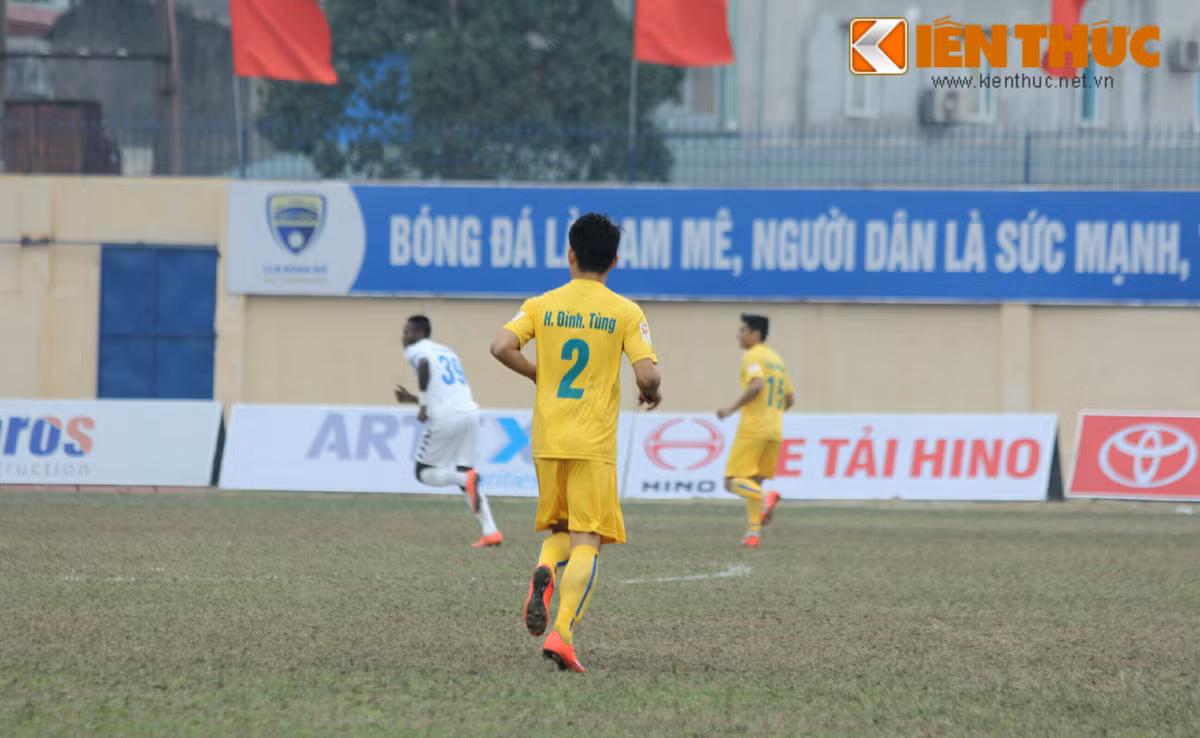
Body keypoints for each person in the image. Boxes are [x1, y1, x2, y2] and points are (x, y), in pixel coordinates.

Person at [490, 213, 662, 673]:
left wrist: (537, 372)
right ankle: (563, 634)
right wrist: (652, 390)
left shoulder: (541, 304)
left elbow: (500, 345)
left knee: (560, 532)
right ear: (615, 260)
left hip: (548, 437)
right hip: (593, 441)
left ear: (570, 254)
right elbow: (646, 372)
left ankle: (543, 576)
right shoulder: (626, 311)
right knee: (589, 539)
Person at [395, 315, 503, 548]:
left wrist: (422, 404)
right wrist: (413, 399)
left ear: (419, 333)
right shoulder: (446, 352)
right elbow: (445, 391)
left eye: (407, 332)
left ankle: (465, 479)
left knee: (424, 472)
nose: (404, 337)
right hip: (470, 414)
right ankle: (491, 530)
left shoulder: (417, 350)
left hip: (446, 417)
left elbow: (423, 366)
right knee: (468, 474)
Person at [716, 314, 793, 548]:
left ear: (755, 334)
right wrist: (772, 414)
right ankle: (753, 534)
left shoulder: (753, 355)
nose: (739, 335)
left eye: (743, 330)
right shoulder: (776, 359)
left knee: (731, 482)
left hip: (753, 428)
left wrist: (731, 408)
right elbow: (789, 398)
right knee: (753, 481)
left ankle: (765, 499)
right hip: (774, 429)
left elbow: (757, 384)